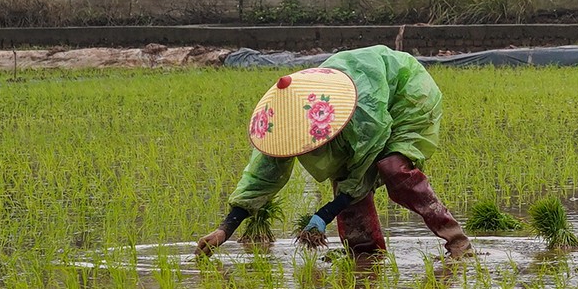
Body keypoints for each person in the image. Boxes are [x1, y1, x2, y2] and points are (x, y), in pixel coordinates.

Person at [197, 45, 471, 258]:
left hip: (406, 94)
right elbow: (260, 177)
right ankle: (366, 258)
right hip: (363, 104)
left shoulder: (364, 114)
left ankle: (457, 242)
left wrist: (325, 214)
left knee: (391, 167)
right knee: (343, 176)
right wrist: (225, 229)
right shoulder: (280, 123)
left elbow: (362, 173)